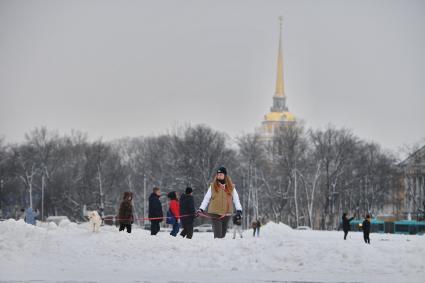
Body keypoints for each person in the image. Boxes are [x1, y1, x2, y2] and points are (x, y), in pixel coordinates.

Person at [197, 166, 243, 239]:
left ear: (225, 175)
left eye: (221, 174)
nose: (219, 176)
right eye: (218, 174)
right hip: (214, 213)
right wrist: (201, 209)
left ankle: (219, 249)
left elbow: (236, 199)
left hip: (226, 213)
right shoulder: (213, 186)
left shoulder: (231, 187)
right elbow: (206, 198)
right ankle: (215, 249)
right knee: (218, 235)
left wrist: (239, 210)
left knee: (222, 235)